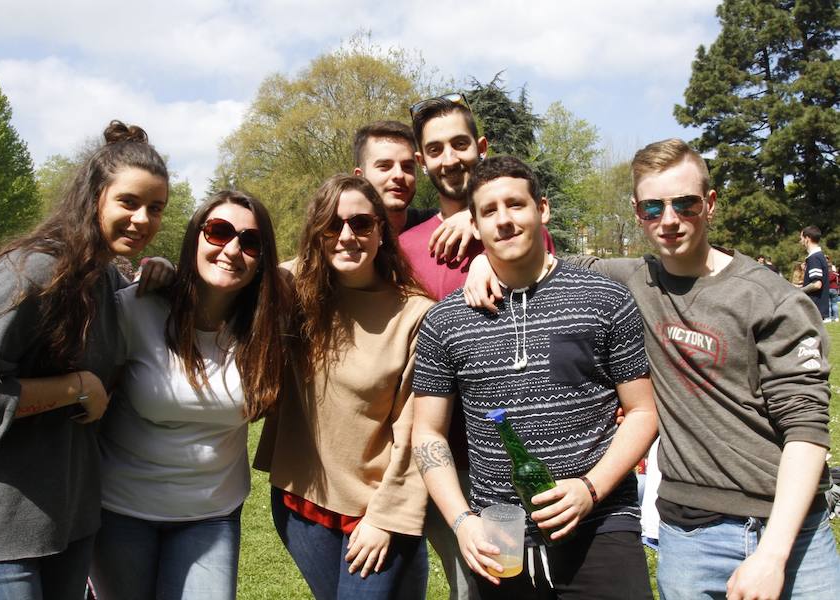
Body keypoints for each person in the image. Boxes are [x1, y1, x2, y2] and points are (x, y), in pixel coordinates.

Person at [465, 139, 840, 598]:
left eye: (685, 203)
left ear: (711, 203)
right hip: (690, 532)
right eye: (652, 208)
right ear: (637, 212)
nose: (669, 220)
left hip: (790, 528)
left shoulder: (772, 299)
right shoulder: (631, 279)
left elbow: (806, 430)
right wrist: (483, 259)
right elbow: (536, 261)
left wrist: (774, 554)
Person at [0, 121, 169, 599]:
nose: (143, 219)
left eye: (156, 208)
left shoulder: (106, 281)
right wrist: (76, 385)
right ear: (94, 198)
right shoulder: (34, 270)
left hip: (69, 527)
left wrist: (165, 279)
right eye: (129, 202)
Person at [411, 155, 657, 599]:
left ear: (542, 209)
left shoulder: (604, 299)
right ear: (475, 223)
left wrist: (590, 489)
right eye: (489, 211)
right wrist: (462, 522)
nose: (504, 220)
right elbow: (427, 433)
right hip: (499, 538)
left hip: (600, 522)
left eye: (515, 205)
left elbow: (643, 411)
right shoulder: (444, 322)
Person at [89, 191, 288, 599]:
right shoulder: (135, 308)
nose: (232, 249)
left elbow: (332, 262)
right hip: (121, 512)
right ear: (194, 237)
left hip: (211, 517)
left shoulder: (266, 328)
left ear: (262, 259)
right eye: (218, 232)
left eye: (250, 243)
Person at [255, 174, 434, 599]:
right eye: (332, 226)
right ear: (316, 233)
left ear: (381, 230)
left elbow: (415, 431)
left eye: (361, 224)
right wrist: (165, 271)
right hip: (302, 501)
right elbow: (222, 279)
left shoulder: (414, 314)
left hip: (375, 513)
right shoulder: (295, 293)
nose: (347, 236)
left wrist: (385, 517)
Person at [352, 119, 475, 260]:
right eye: (385, 166)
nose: (399, 175)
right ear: (359, 177)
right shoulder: (341, 235)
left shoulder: (443, 225)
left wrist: (473, 215)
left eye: (407, 167)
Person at [800, 225, 831, 321]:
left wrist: (800, 291)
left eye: (801, 238)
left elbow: (817, 284)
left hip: (813, 307)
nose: (800, 241)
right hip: (817, 308)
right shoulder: (818, 256)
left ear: (807, 239)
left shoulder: (814, 258)